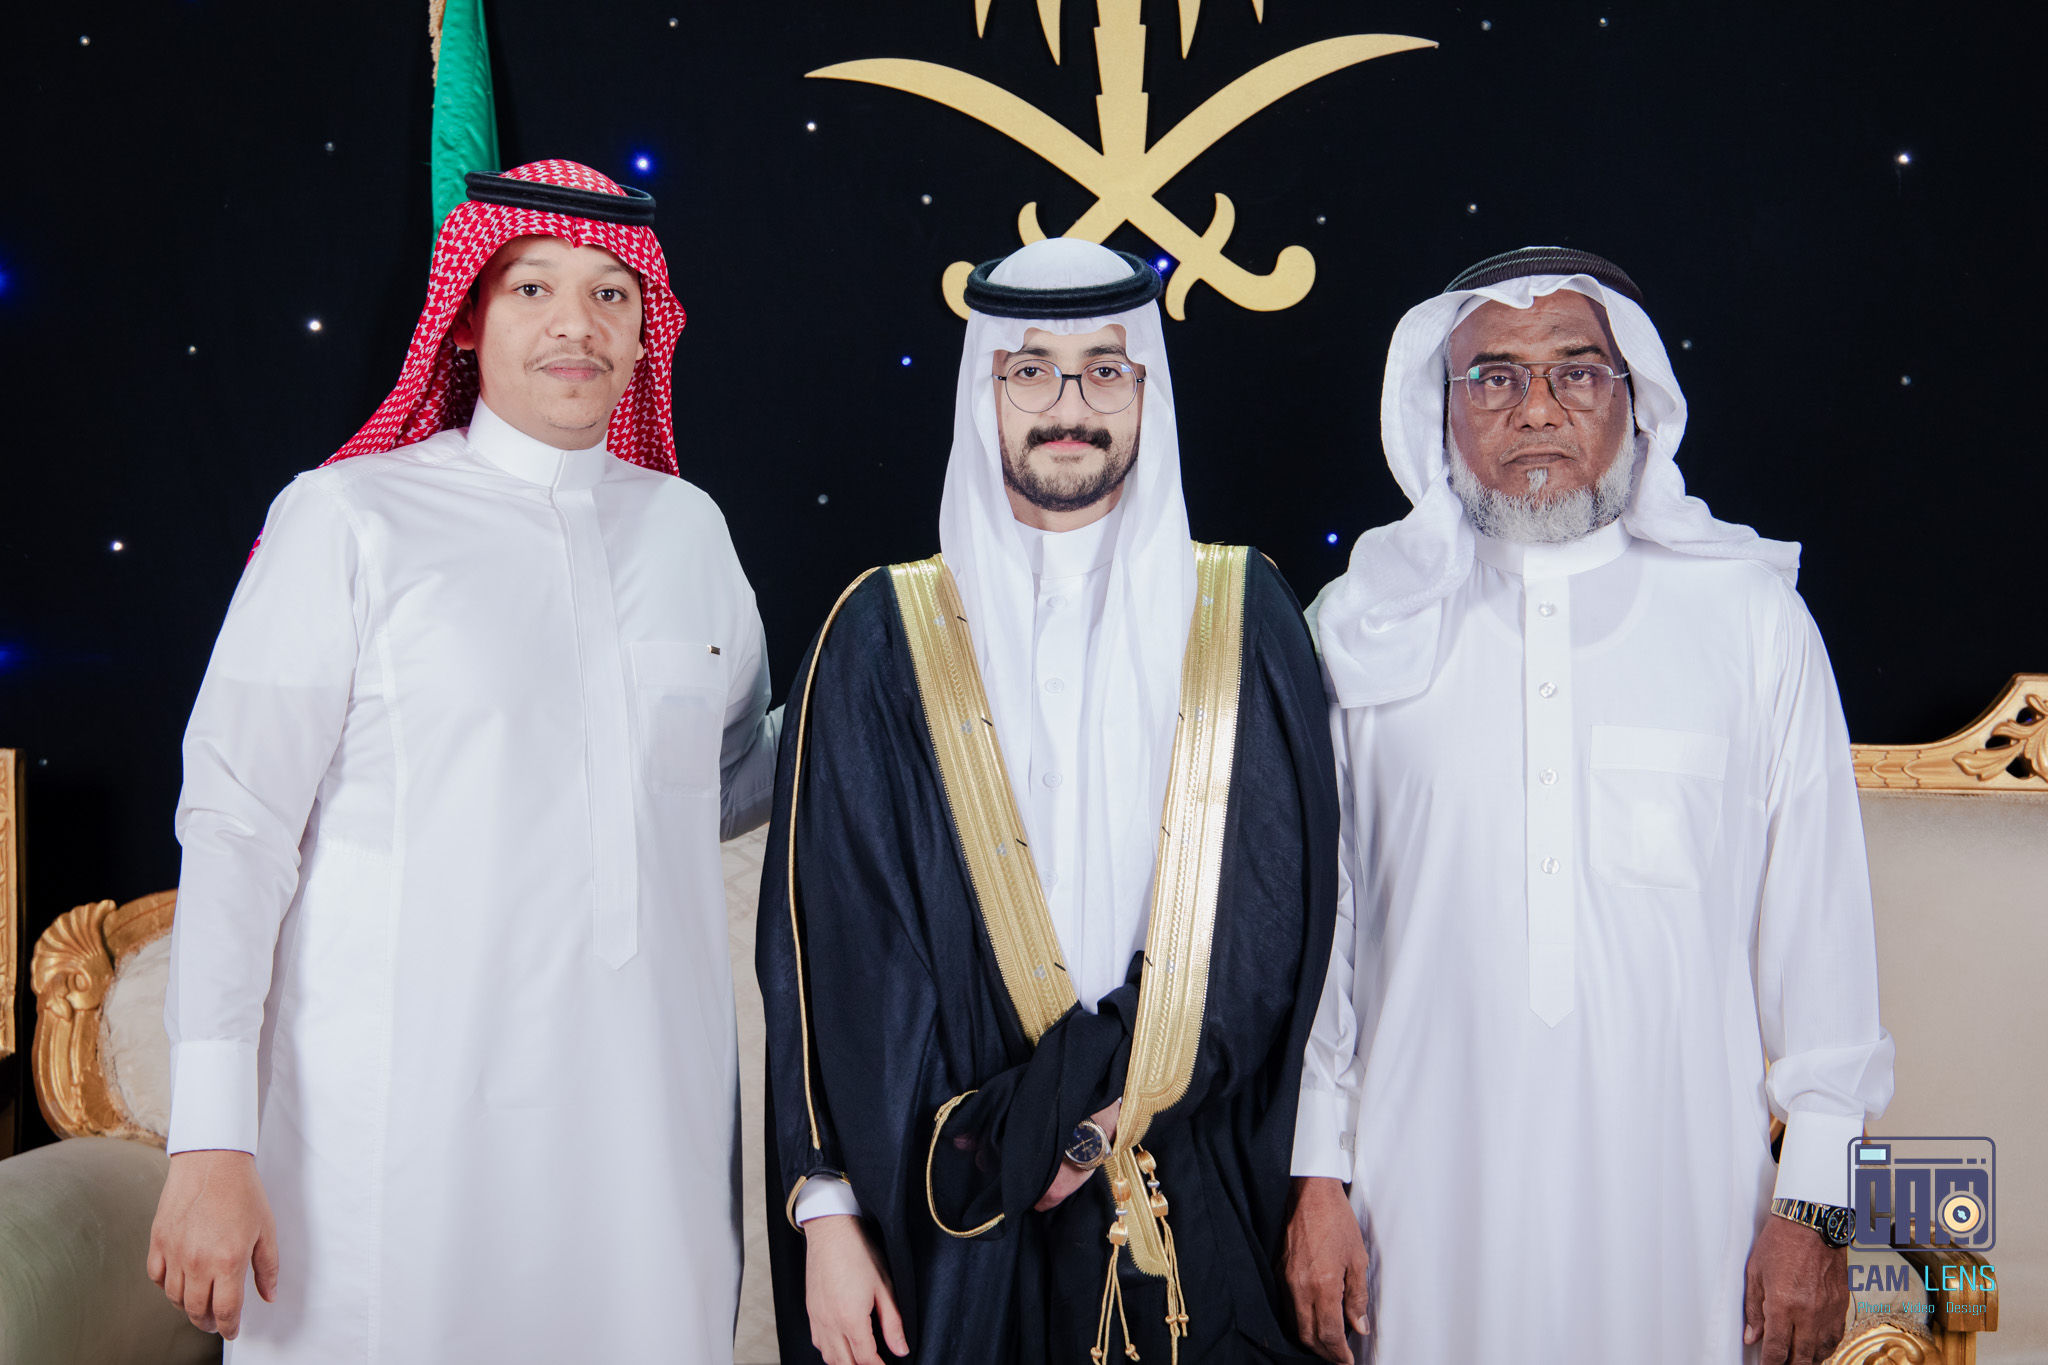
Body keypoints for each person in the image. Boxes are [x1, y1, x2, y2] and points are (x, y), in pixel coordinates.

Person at [149, 159, 778, 1363]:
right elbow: (235, 825)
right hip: (392, 1157)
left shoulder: (690, 532)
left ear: (645, 333)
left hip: (644, 1158)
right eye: (532, 287)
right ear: (469, 319)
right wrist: (211, 1139)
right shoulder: (347, 520)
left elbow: (727, 778)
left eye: (608, 294)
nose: (573, 324)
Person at [1280, 246, 1894, 1365]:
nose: (1536, 409)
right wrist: (1315, 1178)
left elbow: (1824, 947)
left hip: (1689, 1217)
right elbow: (1321, 939)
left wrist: (1815, 1211)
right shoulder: (1359, 630)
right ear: (1441, 408)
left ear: (1633, 397)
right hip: (1418, 1209)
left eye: (1575, 371)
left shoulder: (1748, 622)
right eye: (1493, 376)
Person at [757, 237, 1338, 1365]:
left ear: (1146, 393)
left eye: (1105, 371)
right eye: (1030, 371)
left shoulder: (1240, 611)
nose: (1069, 406)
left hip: (1189, 1175)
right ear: (984, 391)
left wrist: (1101, 1112)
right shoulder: (877, 633)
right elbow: (826, 956)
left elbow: (1277, 920)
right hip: (947, 1202)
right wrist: (826, 1211)